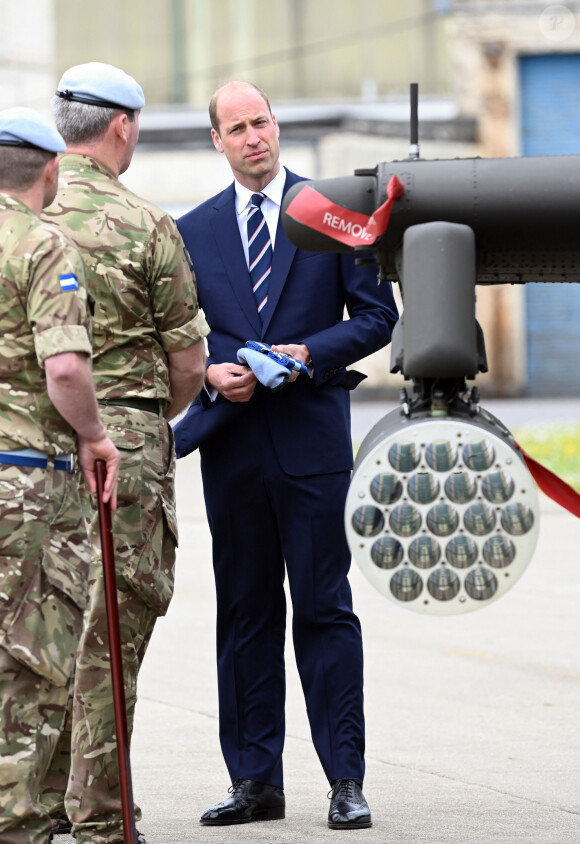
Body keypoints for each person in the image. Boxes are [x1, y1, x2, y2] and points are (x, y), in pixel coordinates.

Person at [174, 80, 398, 829]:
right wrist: (209, 369)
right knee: (244, 616)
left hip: (311, 446)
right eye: (235, 128)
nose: (252, 137)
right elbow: (177, 335)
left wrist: (307, 352)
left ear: (277, 126)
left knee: (325, 610)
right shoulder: (193, 231)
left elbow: (375, 319)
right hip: (232, 449)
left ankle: (345, 780)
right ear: (217, 141)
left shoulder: (329, 213)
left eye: (260, 122)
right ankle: (254, 781)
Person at [41, 63, 210, 844]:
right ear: (123, 127)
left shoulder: (22, 220)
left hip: (28, 446)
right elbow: (187, 366)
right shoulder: (147, 225)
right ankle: (103, 814)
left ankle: (30, 806)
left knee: (31, 634)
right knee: (112, 634)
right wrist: (138, 416)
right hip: (127, 449)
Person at [0, 107, 120, 843]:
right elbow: (68, 367)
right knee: (36, 667)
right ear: (51, 170)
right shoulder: (43, 243)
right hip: (27, 487)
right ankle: (20, 825)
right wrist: (97, 435)